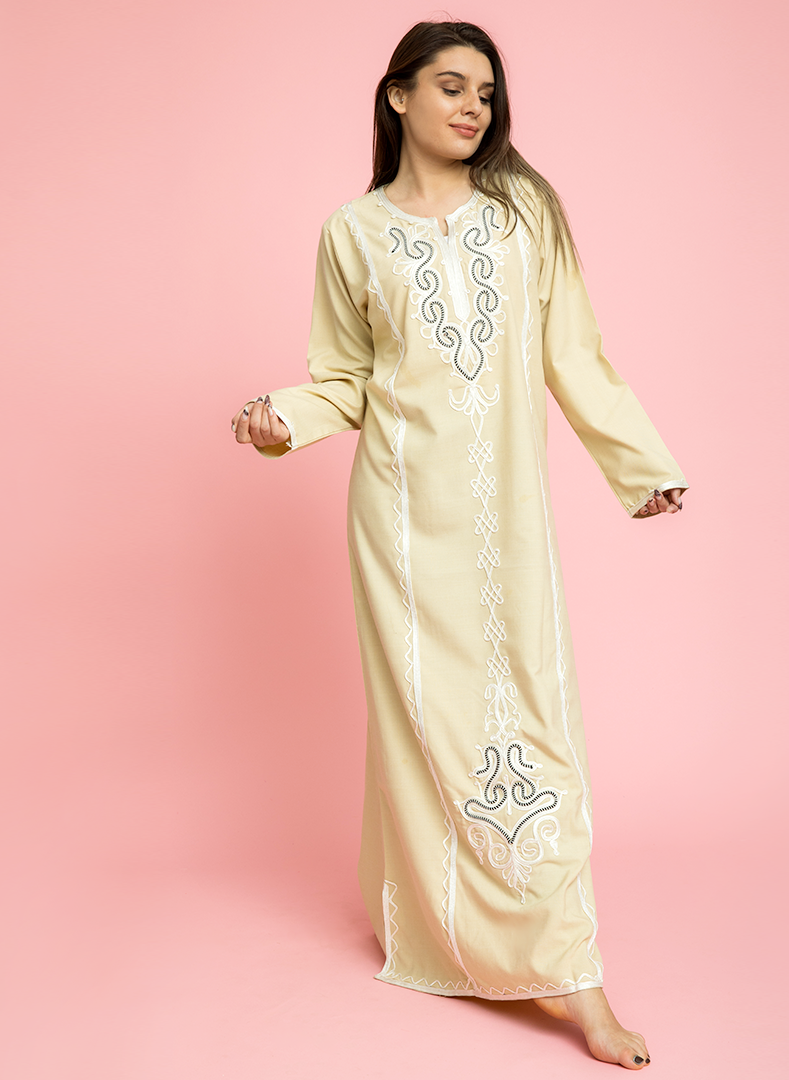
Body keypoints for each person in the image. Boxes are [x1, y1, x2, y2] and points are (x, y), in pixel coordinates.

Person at [231, 20, 686, 1069]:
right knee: (425, 732)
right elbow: (346, 379)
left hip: (507, 523)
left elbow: (575, 349)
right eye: (450, 86)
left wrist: (640, 464)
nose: (474, 106)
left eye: (486, 91)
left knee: (533, 723)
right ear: (397, 96)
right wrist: (280, 419)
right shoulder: (351, 233)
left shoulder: (525, 213)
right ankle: (448, 933)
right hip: (398, 525)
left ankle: (568, 969)